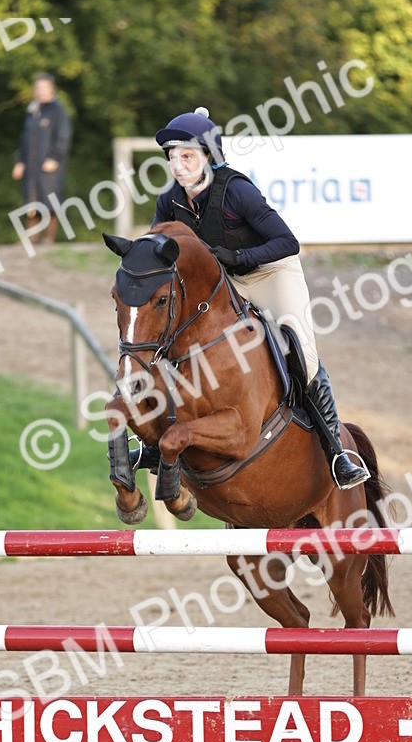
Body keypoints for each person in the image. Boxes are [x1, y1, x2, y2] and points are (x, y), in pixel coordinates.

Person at [151, 107, 369, 489]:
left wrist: (239, 258)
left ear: (208, 158)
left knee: (300, 349)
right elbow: (157, 251)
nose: (179, 166)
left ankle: (336, 452)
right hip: (225, 285)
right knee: (172, 342)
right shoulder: (170, 201)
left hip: (271, 274)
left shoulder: (237, 191)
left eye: (187, 156)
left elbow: (288, 243)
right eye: (173, 157)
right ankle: (156, 441)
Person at [12, 73, 73, 244]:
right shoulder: (33, 111)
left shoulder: (58, 111)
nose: (41, 92)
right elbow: (24, 139)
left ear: (52, 89)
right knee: (31, 201)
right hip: (31, 165)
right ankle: (32, 238)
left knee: (50, 201)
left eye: (45, 88)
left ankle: (49, 238)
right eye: (38, 88)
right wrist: (20, 161)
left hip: (50, 166)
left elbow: (64, 137)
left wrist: (55, 158)